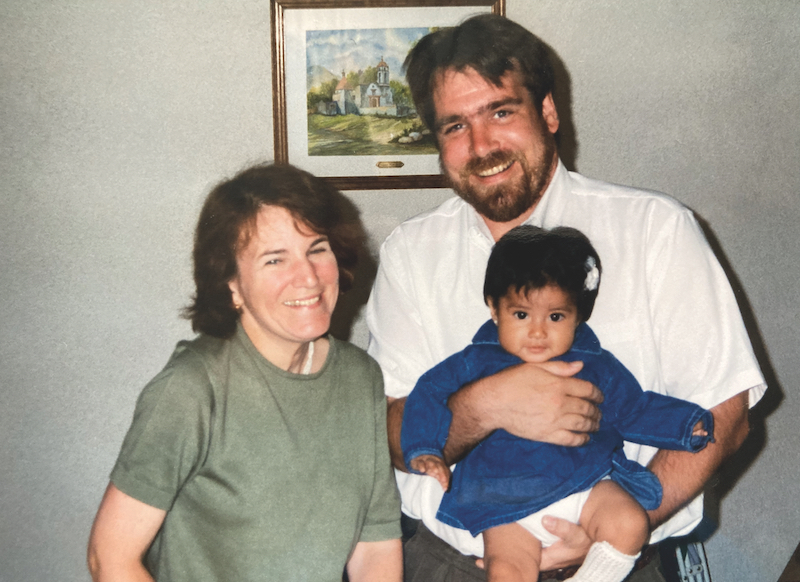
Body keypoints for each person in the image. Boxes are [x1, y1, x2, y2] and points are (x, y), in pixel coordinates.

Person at [365, 13, 765, 582]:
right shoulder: (410, 252)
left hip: (622, 559)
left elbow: (727, 413)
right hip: (457, 563)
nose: (480, 145)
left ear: (548, 112)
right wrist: (484, 405)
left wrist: (612, 530)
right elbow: (389, 429)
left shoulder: (655, 229)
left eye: (500, 112)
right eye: (454, 126)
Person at [87, 163, 402, 582]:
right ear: (231, 283)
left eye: (317, 248)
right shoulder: (194, 388)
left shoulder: (361, 379)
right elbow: (109, 558)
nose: (307, 276)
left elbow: (375, 547)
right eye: (275, 259)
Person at [401, 225, 714, 582]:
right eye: (521, 315)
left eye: (555, 317)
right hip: (503, 500)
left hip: (586, 482)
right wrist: (423, 447)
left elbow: (635, 409)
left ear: (577, 316)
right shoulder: (475, 361)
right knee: (506, 571)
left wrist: (685, 426)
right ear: (494, 309)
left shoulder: (595, 364)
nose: (538, 331)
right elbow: (427, 393)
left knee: (629, 524)